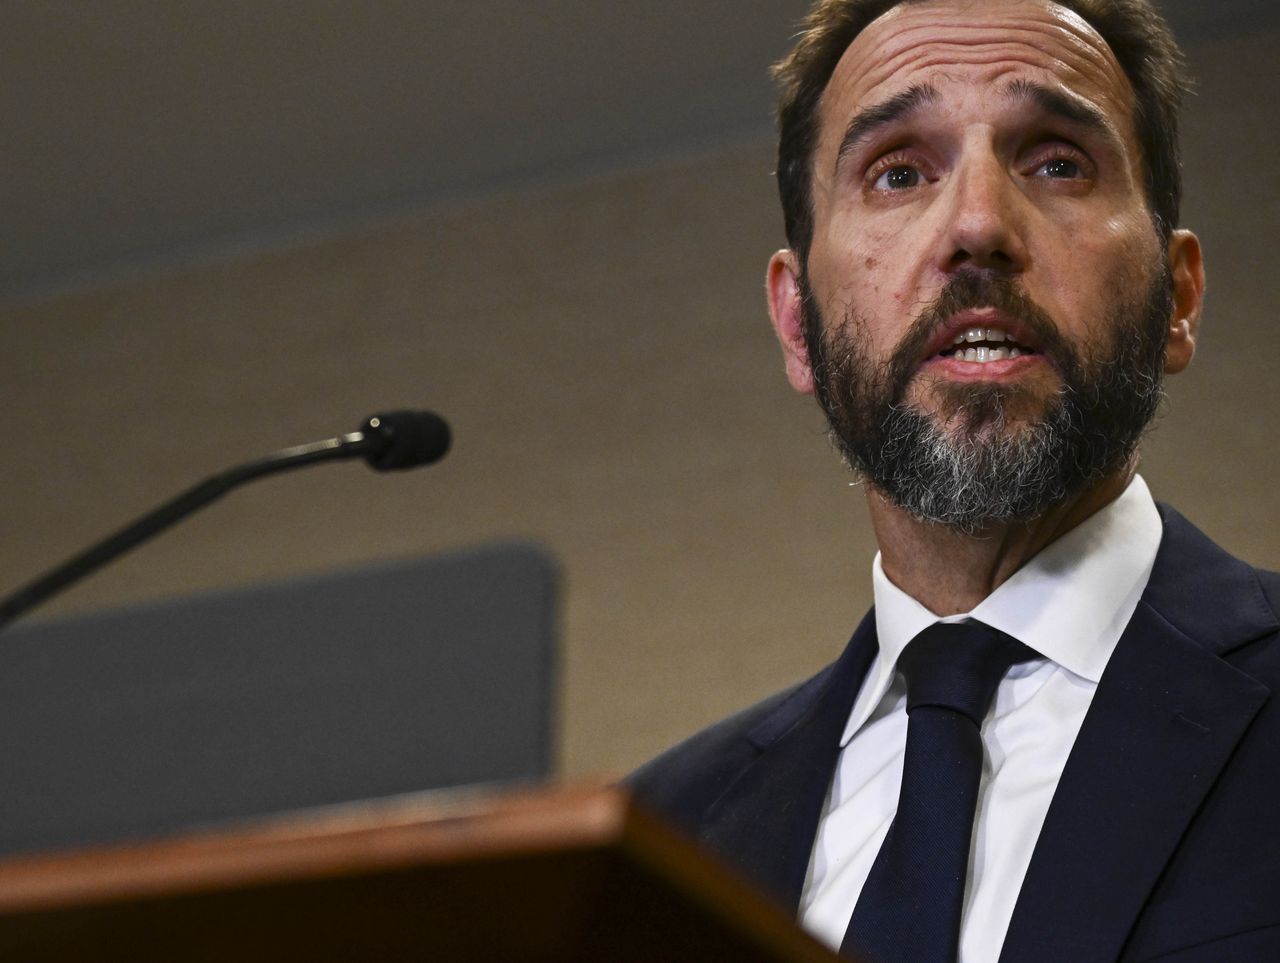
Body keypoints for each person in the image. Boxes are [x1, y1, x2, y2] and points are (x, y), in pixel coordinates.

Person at [628, 1, 1280, 960]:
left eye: (1056, 161)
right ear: (798, 323)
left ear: (1177, 298)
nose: (977, 225)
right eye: (897, 172)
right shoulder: (658, 840)